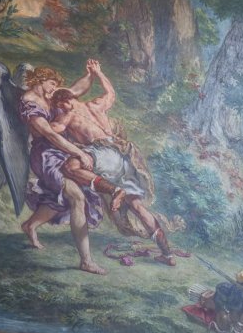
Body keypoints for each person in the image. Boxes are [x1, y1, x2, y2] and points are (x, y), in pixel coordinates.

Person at [45, 59, 177, 264]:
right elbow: (111, 93)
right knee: (138, 207)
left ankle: (115, 190)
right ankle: (167, 254)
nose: (61, 107)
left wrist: (37, 114)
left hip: (103, 154)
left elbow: (50, 131)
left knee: (70, 167)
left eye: (60, 104)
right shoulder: (95, 105)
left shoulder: (68, 116)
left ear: (65, 101)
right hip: (123, 157)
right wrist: (98, 72)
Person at [17, 62, 109, 273]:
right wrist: (78, 152)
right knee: (76, 196)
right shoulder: (28, 102)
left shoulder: (49, 97)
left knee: (61, 197)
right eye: (51, 84)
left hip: (61, 152)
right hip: (45, 156)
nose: (53, 89)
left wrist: (90, 75)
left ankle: (30, 225)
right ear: (40, 80)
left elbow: (75, 91)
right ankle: (86, 261)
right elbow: (50, 134)